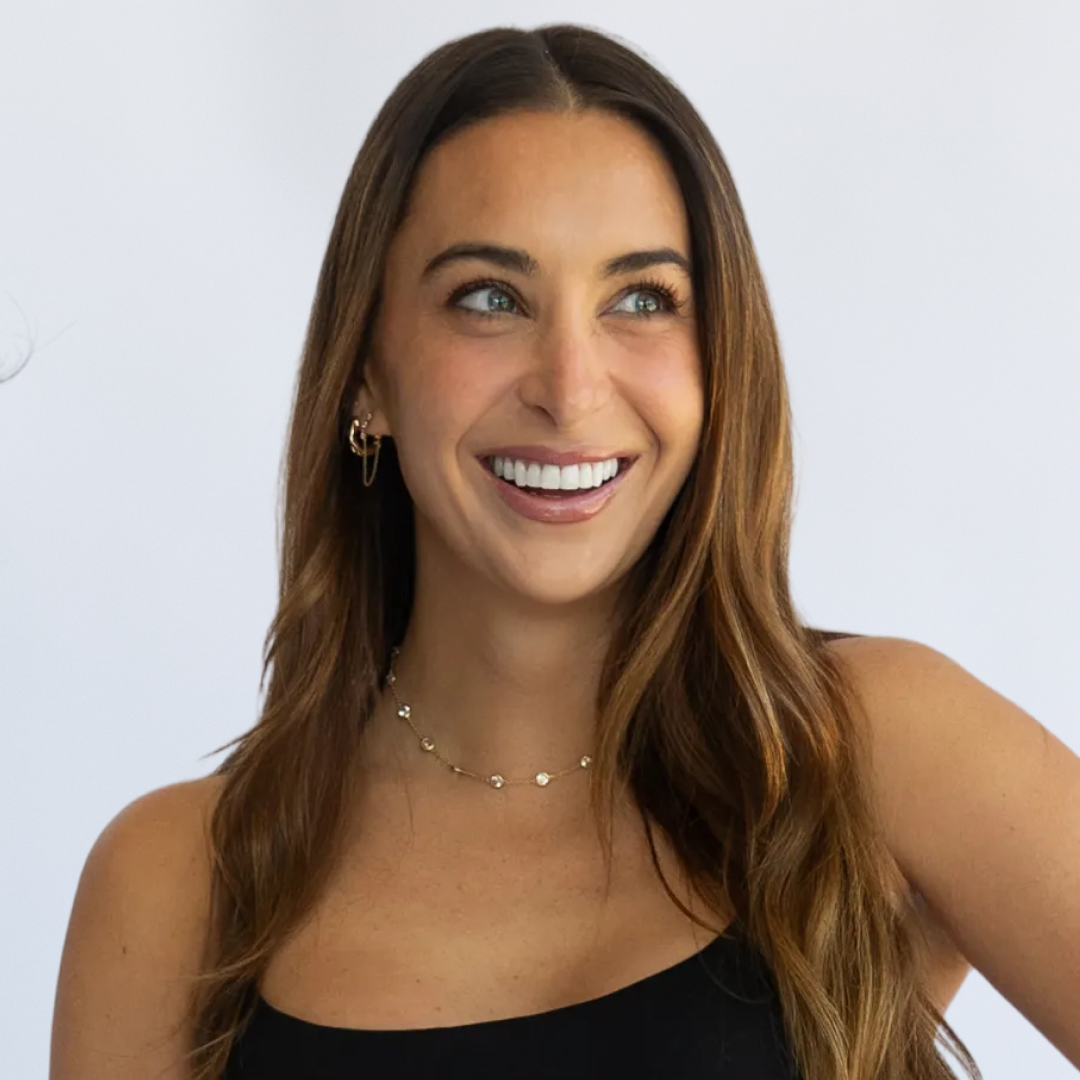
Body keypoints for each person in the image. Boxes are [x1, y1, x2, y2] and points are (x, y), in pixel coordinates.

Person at [50, 23, 1080, 1080]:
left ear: (719, 360)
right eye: (490, 299)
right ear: (367, 374)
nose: (570, 383)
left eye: (641, 300)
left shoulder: (869, 750)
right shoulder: (176, 884)